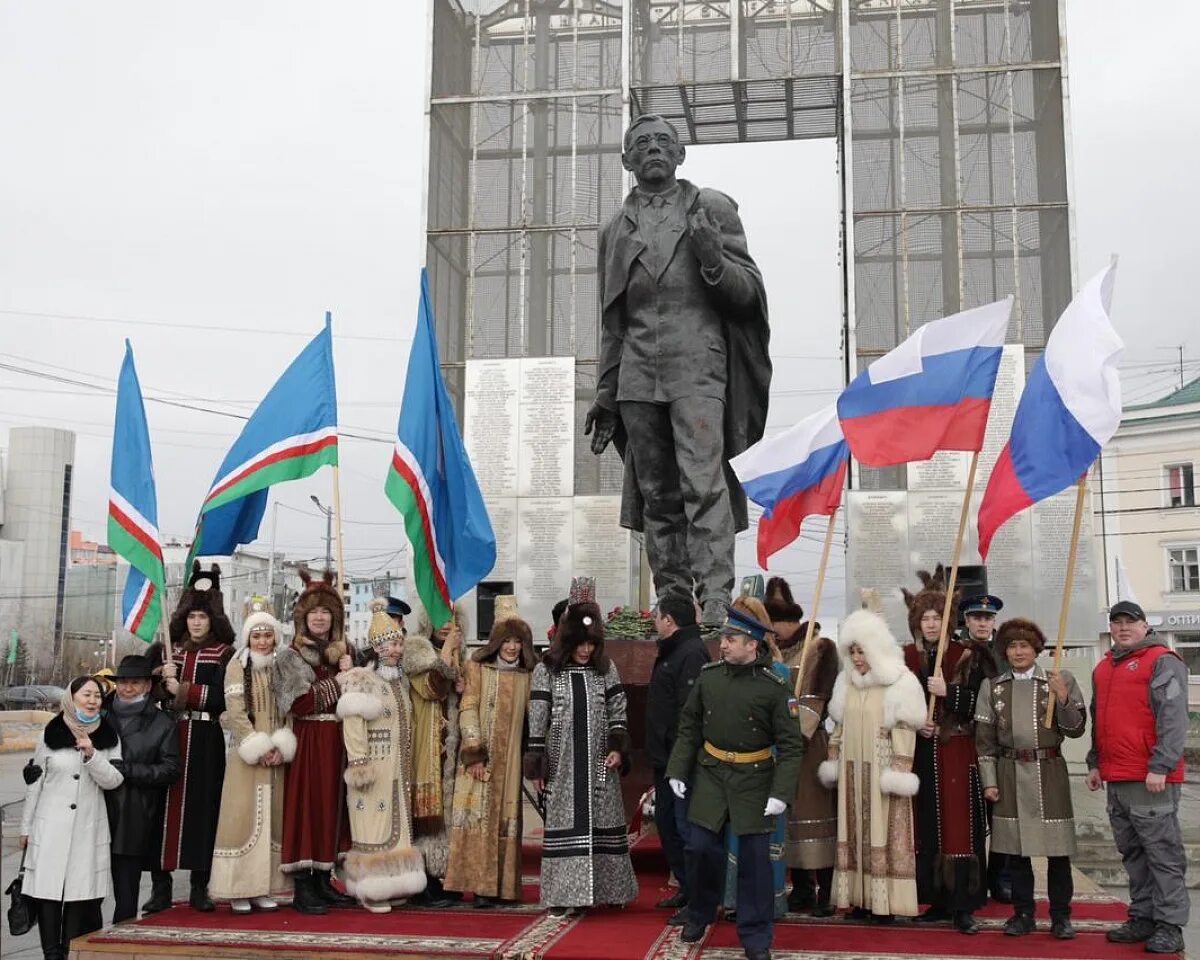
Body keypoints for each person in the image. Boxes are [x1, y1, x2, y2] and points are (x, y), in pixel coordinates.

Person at [585, 113, 771, 625]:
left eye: (663, 141)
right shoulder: (613, 230)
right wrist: (605, 391)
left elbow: (748, 295)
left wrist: (713, 260)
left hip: (698, 369)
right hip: (637, 374)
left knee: (702, 482)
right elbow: (612, 320)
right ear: (626, 159)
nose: (653, 149)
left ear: (680, 154)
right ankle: (672, 597)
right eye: (641, 143)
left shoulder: (710, 208)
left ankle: (714, 596)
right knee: (656, 492)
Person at [666, 605, 805, 960]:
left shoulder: (775, 686)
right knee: (698, 849)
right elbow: (690, 726)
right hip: (711, 775)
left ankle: (756, 936)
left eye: (730, 640)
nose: (723, 645)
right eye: (724, 639)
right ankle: (699, 913)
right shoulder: (710, 677)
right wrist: (678, 770)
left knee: (756, 863)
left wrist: (781, 794)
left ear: (752, 645)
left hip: (756, 780)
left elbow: (790, 746)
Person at [524, 576, 638, 916]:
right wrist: (538, 764)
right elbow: (538, 718)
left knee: (605, 821)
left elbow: (618, 711)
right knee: (564, 826)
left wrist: (618, 746)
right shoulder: (547, 671)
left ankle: (611, 889)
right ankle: (563, 895)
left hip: (601, 764)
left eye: (592, 643)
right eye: (580, 643)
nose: (586, 650)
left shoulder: (607, 670)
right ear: (568, 639)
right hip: (562, 764)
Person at [1087, 600, 1189, 955]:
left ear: (1145, 626)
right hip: (1117, 777)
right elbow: (1099, 719)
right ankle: (1143, 916)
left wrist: (1161, 765)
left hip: (1152, 777)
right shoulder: (1103, 668)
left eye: (1131, 622)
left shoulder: (1163, 660)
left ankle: (1169, 924)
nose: (1123, 627)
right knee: (1133, 853)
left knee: (1162, 854)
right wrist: (1095, 762)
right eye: (1117, 623)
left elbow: (1174, 718)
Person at [974, 618, 1085, 941]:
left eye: (1024, 645)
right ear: (1004, 651)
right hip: (1009, 774)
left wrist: (1063, 699)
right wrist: (989, 780)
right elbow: (985, 741)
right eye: (1012, 646)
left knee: (1058, 852)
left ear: (1036, 649)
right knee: (1016, 853)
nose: (1018, 651)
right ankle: (1023, 914)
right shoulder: (992, 688)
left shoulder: (1059, 679)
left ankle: (1061, 917)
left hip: (1049, 773)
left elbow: (1075, 729)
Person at [818, 609, 924, 921]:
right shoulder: (845, 682)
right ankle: (861, 899)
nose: (857, 657)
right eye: (851, 651)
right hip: (852, 772)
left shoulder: (899, 682)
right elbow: (837, 727)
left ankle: (885, 905)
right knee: (854, 833)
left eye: (861, 650)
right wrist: (834, 761)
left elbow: (905, 731)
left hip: (881, 772)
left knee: (882, 834)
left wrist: (899, 772)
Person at [901, 567, 989, 933]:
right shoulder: (907, 657)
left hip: (956, 751)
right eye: (925, 618)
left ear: (947, 619)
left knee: (959, 828)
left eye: (937, 617)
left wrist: (948, 693)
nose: (931, 624)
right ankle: (936, 899)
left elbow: (982, 703)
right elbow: (896, 702)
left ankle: (963, 905)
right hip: (922, 752)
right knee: (929, 827)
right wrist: (914, 719)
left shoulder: (967, 655)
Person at [146, 561, 236, 913]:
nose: (196, 622)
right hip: (167, 737)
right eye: (192, 617)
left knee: (203, 808)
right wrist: (158, 679)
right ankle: (160, 887)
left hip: (205, 738)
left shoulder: (225, 654)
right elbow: (144, 694)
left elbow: (223, 698)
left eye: (203, 617)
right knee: (162, 812)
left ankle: (201, 885)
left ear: (213, 619)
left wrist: (180, 688)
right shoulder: (167, 651)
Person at [20, 678, 124, 960]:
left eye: (97, 696)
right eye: (86, 694)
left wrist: (91, 754)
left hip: (88, 828)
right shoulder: (50, 733)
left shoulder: (108, 737)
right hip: (49, 826)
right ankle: (51, 954)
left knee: (80, 895)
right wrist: (26, 827)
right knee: (48, 894)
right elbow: (35, 784)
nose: (92, 701)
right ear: (71, 698)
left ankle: (69, 951)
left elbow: (114, 781)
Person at [445, 596, 538, 906]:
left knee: (506, 820)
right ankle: (482, 888)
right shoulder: (477, 666)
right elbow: (467, 707)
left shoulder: (528, 673)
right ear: (496, 641)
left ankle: (505, 888)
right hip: (479, 759)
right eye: (506, 640)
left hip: (510, 761)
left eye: (517, 640)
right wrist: (474, 753)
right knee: (478, 819)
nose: (512, 647)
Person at [273, 567, 356, 913]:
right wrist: (341, 680)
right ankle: (303, 887)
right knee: (308, 808)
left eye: (326, 611)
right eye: (314, 612)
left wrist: (353, 670)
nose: (320, 618)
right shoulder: (290, 655)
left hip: (338, 738)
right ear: (302, 617)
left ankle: (324, 880)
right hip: (309, 738)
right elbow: (298, 701)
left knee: (334, 809)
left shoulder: (346, 651)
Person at [336, 598, 426, 912]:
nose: (396, 650)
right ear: (377, 647)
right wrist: (359, 763)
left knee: (398, 828)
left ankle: (394, 882)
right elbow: (353, 725)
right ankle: (370, 889)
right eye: (390, 644)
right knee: (372, 827)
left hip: (398, 766)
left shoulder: (401, 682)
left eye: (399, 644)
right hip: (373, 766)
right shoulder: (362, 679)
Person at [209, 598, 296, 912]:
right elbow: (235, 713)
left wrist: (280, 746)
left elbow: (289, 711)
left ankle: (266, 886)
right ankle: (238, 889)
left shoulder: (282, 664)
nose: (262, 641)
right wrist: (257, 747)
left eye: (267, 635)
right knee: (242, 819)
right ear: (247, 637)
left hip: (276, 755)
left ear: (275, 636)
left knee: (273, 821)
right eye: (256, 635)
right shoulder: (237, 665)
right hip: (246, 756)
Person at [764, 576, 838, 916]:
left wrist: (789, 739)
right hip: (777, 749)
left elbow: (814, 703)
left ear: (790, 621)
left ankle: (825, 889)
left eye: (776, 622)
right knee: (788, 819)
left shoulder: (819, 647)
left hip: (807, 748)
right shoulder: (769, 654)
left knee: (815, 816)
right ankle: (803, 889)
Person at [645, 589, 710, 918]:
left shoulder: (691, 652)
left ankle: (699, 899)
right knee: (668, 824)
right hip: (666, 758)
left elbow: (689, 712)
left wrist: (679, 760)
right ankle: (687, 889)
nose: (655, 622)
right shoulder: (674, 649)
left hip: (681, 761)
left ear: (668, 621)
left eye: (657, 617)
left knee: (685, 829)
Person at [103, 655, 180, 923]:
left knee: (126, 891)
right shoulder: (98, 712)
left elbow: (170, 770)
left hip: (132, 814)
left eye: (135, 683)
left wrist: (128, 770)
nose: (127, 688)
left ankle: (121, 935)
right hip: (94, 811)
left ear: (148, 686)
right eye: (123, 682)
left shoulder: (162, 723)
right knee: (84, 889)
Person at [405, 600, 467, 906]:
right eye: (441, 617)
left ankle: (442, 875)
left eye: (452, 618)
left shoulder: (460, 655)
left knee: (445, 815)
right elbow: (432, 687)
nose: (446, 624)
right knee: (425, 814)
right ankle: (421, 882)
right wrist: (447, 658)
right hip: (425, 744)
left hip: (450, 747)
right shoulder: (417, 651)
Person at [957, 592, 1012, 904]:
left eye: (987, 617)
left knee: (1001, 815)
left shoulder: (1006, 652)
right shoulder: (959, 652)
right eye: (977, 617)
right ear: (966, 620)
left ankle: (1000, 878)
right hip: (967, 739)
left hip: (999, 742)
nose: (982, 621)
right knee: (970, 817)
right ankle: (972, 879)